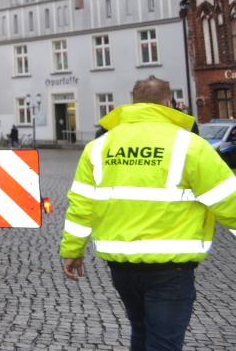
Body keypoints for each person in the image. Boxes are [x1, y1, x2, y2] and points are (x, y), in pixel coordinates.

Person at [59, 76, 236, 351]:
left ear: (134, 104)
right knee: (163, 342)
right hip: (171, 267)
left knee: (141, 332)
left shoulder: (99, 147)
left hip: (122, 267)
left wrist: (73, 250)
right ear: (169, 104)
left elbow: (81, 204)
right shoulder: (190, 145)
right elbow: (228, 202)